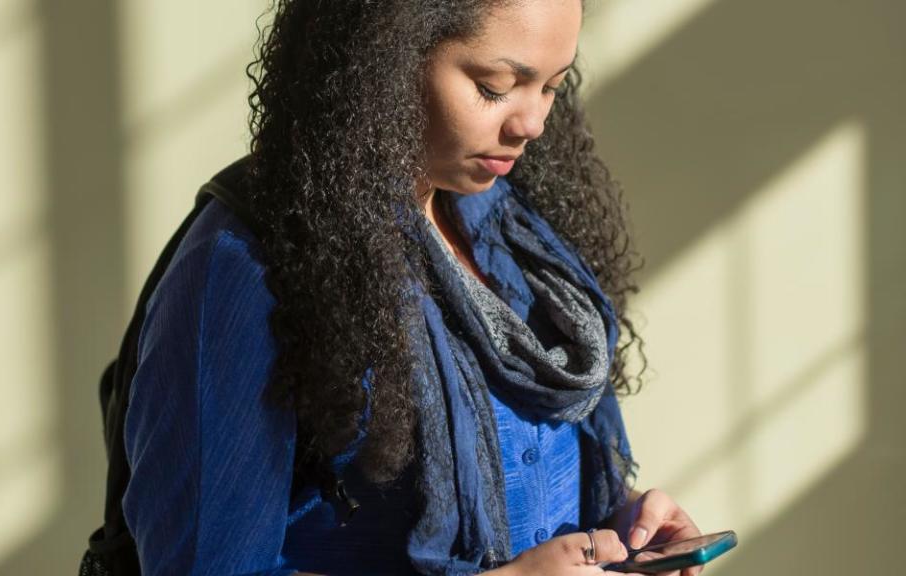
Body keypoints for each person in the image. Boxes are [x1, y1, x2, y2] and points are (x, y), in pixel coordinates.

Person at [120, 0, 704, 574]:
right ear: (384, 57)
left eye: (552, 85)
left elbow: (532, 467)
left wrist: (625, 530)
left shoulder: (521, 228)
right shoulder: (246, 262)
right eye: (496, 85)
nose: (532, 123)